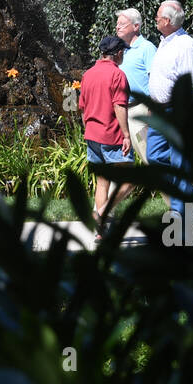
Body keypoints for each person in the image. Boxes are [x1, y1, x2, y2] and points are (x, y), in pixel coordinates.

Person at [146, 0, 193, 215]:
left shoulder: (186, 45)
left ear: (167, 21)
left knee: (180, 163)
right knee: (154, 157)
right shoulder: (165, 42)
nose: (155, 19)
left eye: (158, 16)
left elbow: (191, 84)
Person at [78, 34, 134, 240]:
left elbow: (82, 108)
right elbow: (119, 105)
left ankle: (101, 233)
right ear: (118, 53)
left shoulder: (88, 74)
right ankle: (100, 214)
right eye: (123, 52)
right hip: (111, 135)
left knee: (103, 182)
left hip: (92, 135)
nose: (123, 55)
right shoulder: (117, 75)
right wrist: (126, 134)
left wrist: (89, 130)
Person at [114, 7, 157, 165]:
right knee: (124, 162)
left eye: (122, 24)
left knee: (148, 156)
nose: (117, 27)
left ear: (136, 26)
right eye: (117, 24)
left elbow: (155, 79)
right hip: (122, 109)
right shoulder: (119, 51)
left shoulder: (147, 48)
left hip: (141, 109)